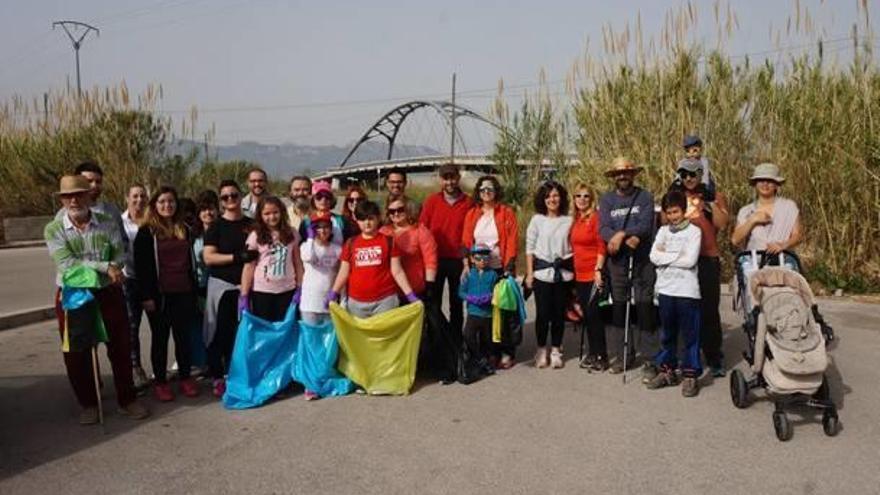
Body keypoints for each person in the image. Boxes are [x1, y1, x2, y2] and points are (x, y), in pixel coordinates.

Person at [44, 175, 150, 424]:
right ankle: (88, 403)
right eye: (68, 196)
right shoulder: (54, 229)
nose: (73, 200)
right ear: (61, 200)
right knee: (77, 351)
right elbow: (67, 265)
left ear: (88, 196)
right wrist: (104, 267)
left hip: (108, 291)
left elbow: (120, 256)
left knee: (120, 346)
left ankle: (127, 399)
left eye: (79, 195)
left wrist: (108, 268)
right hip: (73, 295)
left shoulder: (106, 223)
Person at [133, 186, 200, 401]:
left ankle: (185, 378)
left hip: (183, 292)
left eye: (171, 201)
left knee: (183, 339)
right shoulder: (146, 232)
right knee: (160, 340)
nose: (167, 205)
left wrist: (193, 289)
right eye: (162, 202)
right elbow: (141, 268)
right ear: (154, 205)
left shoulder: (184, 229)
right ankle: (161, 382)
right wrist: (146, 296)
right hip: (159, 297)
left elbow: (191, 262)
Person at [669, 158, 730, 377]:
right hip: (681, 260)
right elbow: (663, 223)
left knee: (709, 311)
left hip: (707, 258)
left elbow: (723, 224)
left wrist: (710, 205)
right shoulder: (675, 196)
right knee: (681, 310)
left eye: (693, 174)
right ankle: (681, 356)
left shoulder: (713, 195)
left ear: (701, 174)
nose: (688, 178)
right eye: (684, 174)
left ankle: (714, 357)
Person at [598, 157, 657, 378]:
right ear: (613, 177)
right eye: (618, 173)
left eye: (627, 172)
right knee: (619, 309)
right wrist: (615, 237)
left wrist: (623, 234)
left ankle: (651, 358)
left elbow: (645, 224)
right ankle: (624, 354)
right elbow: (603, 227)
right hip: (617, 261)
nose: (623, 176)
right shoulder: (607, 200)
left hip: (642, 260)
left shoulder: (645, 197)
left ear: (633, 174)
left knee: (644, 307)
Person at [203, 180, 256, 398]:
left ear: (240, 196)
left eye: (234, 195)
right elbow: (208, 257)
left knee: (242, 334)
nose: (230, 200)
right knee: (219, 333)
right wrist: (235, 257)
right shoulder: (216, 226)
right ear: (221, 201)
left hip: (247, 287)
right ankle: (217, 376)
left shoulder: (252, 225)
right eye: (225, 197)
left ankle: (239, 374)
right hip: (223, 288)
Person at [647, 191, 703, 397]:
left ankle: (690, 374)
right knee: (667, 333)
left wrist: (666, 256)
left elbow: (690, 261)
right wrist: (677, 255)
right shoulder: (663, 232)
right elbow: (653, 256)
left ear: (684, 210)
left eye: (676, 212)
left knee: (690, 335)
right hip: (665, 289)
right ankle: (667, 370)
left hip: (687, 291)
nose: (672, 217)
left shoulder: (694, 232)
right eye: (669, 213)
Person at [461, 174, 519, 368]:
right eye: (483, 190)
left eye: (490, 189)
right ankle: (488, 352)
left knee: (503, 312)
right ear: (479, 192)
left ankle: (506, 350)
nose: (487, 193)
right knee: (484, 313)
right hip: (479, 269)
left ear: (496, 191)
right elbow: (466, 241)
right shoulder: (472, 214)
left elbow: (511, 240)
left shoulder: (505, 212)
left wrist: (509, 266)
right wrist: (466, 265)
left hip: (499, 267)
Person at [328, 200, 418, 319]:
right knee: (359, 337)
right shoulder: (350, 243)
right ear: (356, 220)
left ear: (378, 218)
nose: (367, 223)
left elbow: (397, 271)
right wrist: (334, 292)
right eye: (362, 219)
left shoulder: (389, 241)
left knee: (384, 336)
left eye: (371, 219)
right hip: (356, 302)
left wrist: (410, 295)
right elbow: (343, 272)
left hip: (385, 301)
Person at [419, 164, 473, 334]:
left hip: (459, 260)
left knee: (457, 303)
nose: (449, 182)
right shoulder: (431, 201)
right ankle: (438, 338)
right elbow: (422, 229)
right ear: (440, 179)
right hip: (435, 260)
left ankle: (456, 340)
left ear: (458, 178)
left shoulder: (468, 202)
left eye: (452, 177)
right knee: (433, 302)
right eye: (445, 178)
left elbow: (472, 231)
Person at [525, 181, 574, 369]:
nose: (552, 200)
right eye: (548, 197)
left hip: (563, 274)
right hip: (542, 274)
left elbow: (573, 246)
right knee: (543, 314)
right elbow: (530, 249)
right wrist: (529, 274)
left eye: (555, 195)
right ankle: (540, 349)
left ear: (560, 197)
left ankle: (556, 349)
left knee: (559, 314)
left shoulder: (569, 220)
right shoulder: (537, 220)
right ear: (543, 200)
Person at [240, 196, 304, 322]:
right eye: (267, 213)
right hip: (262, 292)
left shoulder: (292, 233)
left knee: (284, 330)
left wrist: (300, 287)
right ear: (260, 215)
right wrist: (244, 295)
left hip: (287, 291)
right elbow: (249, 267)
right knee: (264, 330)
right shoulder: (255, 235)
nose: (272, 217)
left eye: (275, 212)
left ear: (282, 212)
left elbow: (297, 262)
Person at [569, 182, 608, 372]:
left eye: (586, 196)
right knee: (587, 315)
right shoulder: (576, 219)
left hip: (593, 273)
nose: (582, 199)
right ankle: (593, 352)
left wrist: (599, 270)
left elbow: (602, 245)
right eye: (578, 196)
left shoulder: (595, 218)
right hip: (579, 274)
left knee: (594, 315)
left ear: (591, 199)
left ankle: (601, 355)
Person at [731, 163, 802, 254]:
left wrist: (783, 245)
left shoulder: (789, 206)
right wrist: (753, 220)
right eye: (761, 180)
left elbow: (797, 235)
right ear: (755, 184)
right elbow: (735, 240)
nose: (765, 183)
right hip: (754, 262)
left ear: (776, 185)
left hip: (783, 260)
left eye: (769, 180)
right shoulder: (745, 211)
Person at [120, 184, 150, 389]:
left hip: (150, 281)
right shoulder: (119, 223)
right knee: (131, 328)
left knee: (159, 328)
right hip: (128, 280)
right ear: (127, 198)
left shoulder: (151, 222)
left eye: (142, 196)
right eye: (135, 196)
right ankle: (135, 368)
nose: (139, 200)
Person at [379, 196, 438, 300]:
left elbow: (430, 260)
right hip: (389, 292)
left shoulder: (420, 231)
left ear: (407, 209)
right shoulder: (383, 232)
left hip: (415, 289)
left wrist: (430, 286)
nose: (396, 214)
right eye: (392, 211)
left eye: (400, 210)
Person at [459, 244, 498, 371]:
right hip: (473, 312)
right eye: (479, 258)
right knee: (468, 335)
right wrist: (470, 298)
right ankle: (477, 358)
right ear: (472, 259)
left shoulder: (492, 274)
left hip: (487, 314)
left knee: (487, 340)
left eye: (485, 259)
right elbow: (461, 292)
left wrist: (490, 296)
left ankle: (487, 362)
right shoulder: (469, 274)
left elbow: (497, 291)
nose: (482, 261)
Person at [299, 213, 342, 326]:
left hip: (329, 303)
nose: (322, 231)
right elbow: (308, 257)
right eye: (318, 227)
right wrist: (310, 239)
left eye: (326, 227)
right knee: (311, 340)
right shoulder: (305, 246)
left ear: (331, 229)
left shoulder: (338, 249)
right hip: (309, 304)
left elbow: (340, 273)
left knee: (327, 341)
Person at [298, 181, 354, 246]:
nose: (323, 200)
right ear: (313, 199)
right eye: (319, 196)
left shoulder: (342, 220)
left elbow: (349, 244)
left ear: (332, 199)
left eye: (327, 196)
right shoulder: (306, 222)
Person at [681, 135, 716, 201]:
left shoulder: (703, 161)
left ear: (700, 150)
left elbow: (705, 175)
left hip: (701, 184)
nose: (691, 154)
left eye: (695, 150)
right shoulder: (683, 162)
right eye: (688, 151)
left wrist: (703, 185)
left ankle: (708, 200)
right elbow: (679, 175)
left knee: (708, 187)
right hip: (689, 183)